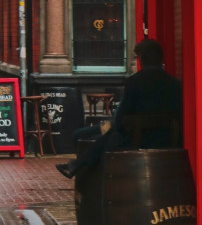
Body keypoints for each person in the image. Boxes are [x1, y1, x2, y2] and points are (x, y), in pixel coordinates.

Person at [55, 39, 182, 179]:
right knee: (108, 135)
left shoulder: (135, 82)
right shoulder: (174, 83)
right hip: (168, 137)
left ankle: (82, 170)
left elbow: (121, 118)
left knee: (107, 138)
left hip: (139, 139)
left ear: (141, 60)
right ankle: (77, 165)